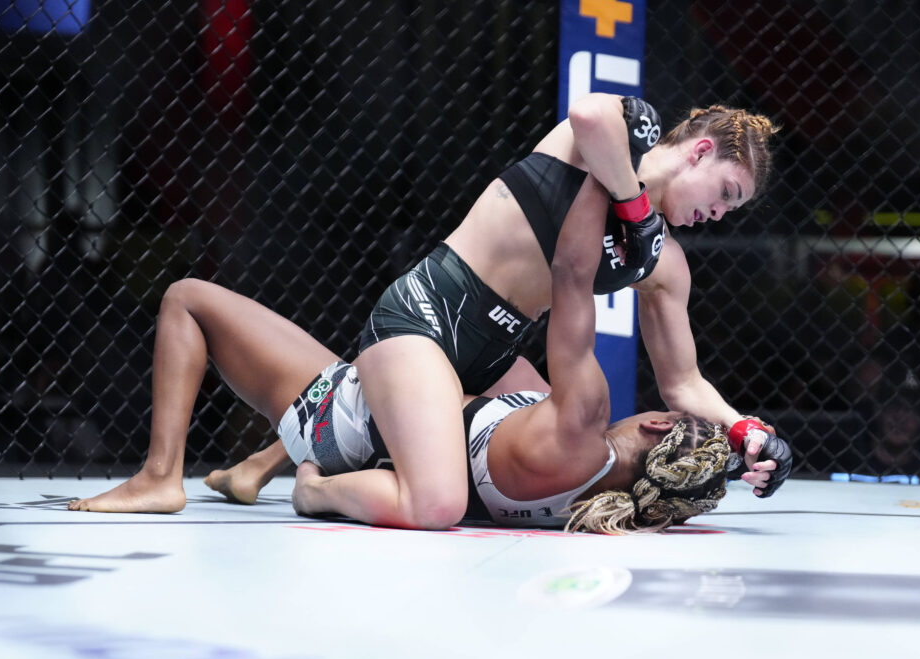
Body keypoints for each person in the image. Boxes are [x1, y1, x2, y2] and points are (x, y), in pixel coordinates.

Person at [71, 94, 791, 522]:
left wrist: (750, 433)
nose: (719, 215)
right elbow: (585, 113)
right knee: (439, 501)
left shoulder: (661, 261)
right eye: (725, 194)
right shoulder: (625, 129)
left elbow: (684, 383)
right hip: (429, 314)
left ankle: (267, 458)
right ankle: (210, 479)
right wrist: (633, 204)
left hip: (493, 348)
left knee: (551, 456)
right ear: (698, 152)